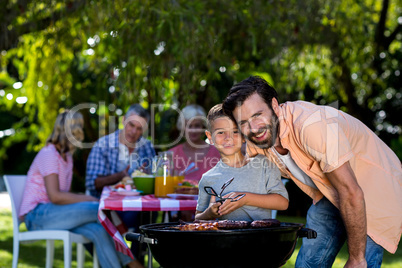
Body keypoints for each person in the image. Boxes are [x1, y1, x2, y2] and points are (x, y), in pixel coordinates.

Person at [222, 76, 402, 268]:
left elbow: (352, 193)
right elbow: (235, 171)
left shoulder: (312, 126)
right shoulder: (259, 138)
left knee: (362, 262)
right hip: (329, 191)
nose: (253, 128)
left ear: (274, 105)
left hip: (371, 191)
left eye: (258, 115)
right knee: (308, 263)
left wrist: (356, 259)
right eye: (243, 122)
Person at [19, 110, 142, 268]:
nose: (81, 132)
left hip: (54, 213)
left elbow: (64, 196)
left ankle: (128, 264)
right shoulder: (49, 153)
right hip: (36, 216)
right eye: (79, 128)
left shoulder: (66, 157)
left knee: (99, 230)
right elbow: (56, 196)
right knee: (99, 208)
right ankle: (134, 264)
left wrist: (84, 199)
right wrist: (88, 198)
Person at [85, 104, 155, 262]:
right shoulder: (103, 145)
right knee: (142, 216)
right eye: (131, 125)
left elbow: (153, 181)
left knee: (148, 214)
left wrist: (147, 177)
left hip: (135, 207)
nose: (134, 131)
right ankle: (133, 263)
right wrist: (122, 175)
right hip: (108, 209)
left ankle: (138, 259)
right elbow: (93, 183)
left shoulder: (146, 147)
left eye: (139, 128)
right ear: (123, 121)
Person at [195, 104, 288, 221]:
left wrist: (245, 199)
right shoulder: (208, 179)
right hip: (226, 239)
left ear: (244, 135)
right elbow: (198, 220)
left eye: (235, 131)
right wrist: (209, 213)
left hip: (260, 238)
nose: (228, 138)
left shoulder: (264, 164)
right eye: (220, 132)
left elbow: (283, 203)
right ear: (210, 137)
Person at [169, 104, 220, 185]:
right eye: (189, 126)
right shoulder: (172, 154)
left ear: (203, 127)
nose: (193, 130)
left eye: (197, 125)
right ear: (182, 127)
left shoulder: (217, 153)